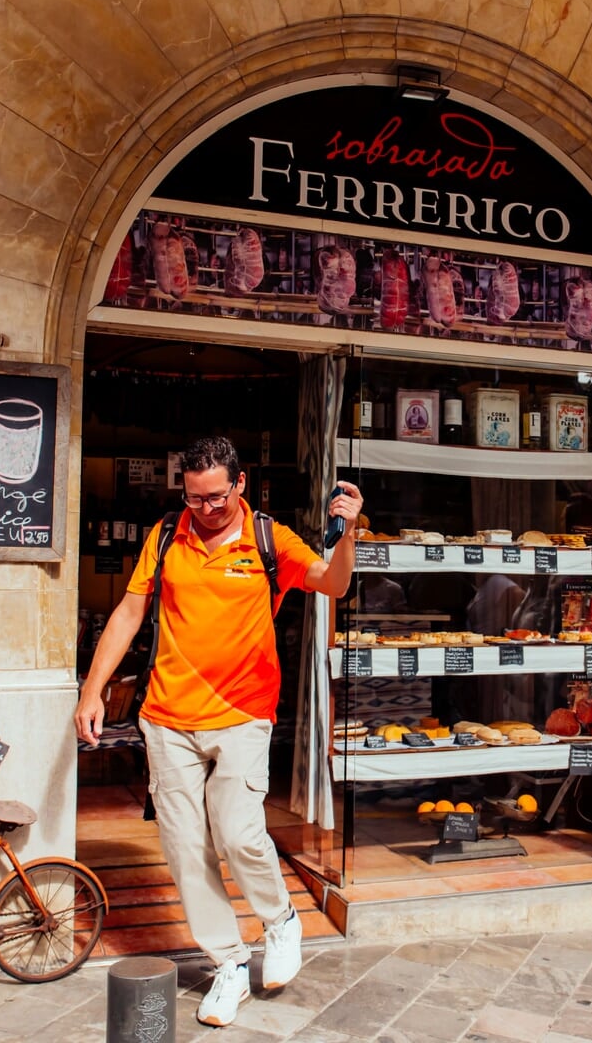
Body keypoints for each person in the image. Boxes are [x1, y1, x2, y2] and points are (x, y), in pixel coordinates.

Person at [74, 437, 364, 1028]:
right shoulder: (165, 535)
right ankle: (228, 963)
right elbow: (130, 612)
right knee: (185, 850)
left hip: (243, 714)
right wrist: (92, 687)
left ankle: (280, 918)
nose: (204, 509)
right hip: (168, 718)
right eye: (194, 497)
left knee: (237, 833)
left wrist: (349, 533)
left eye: (216, 497)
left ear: (241, 484)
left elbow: (332, 585)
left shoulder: (268, 538)